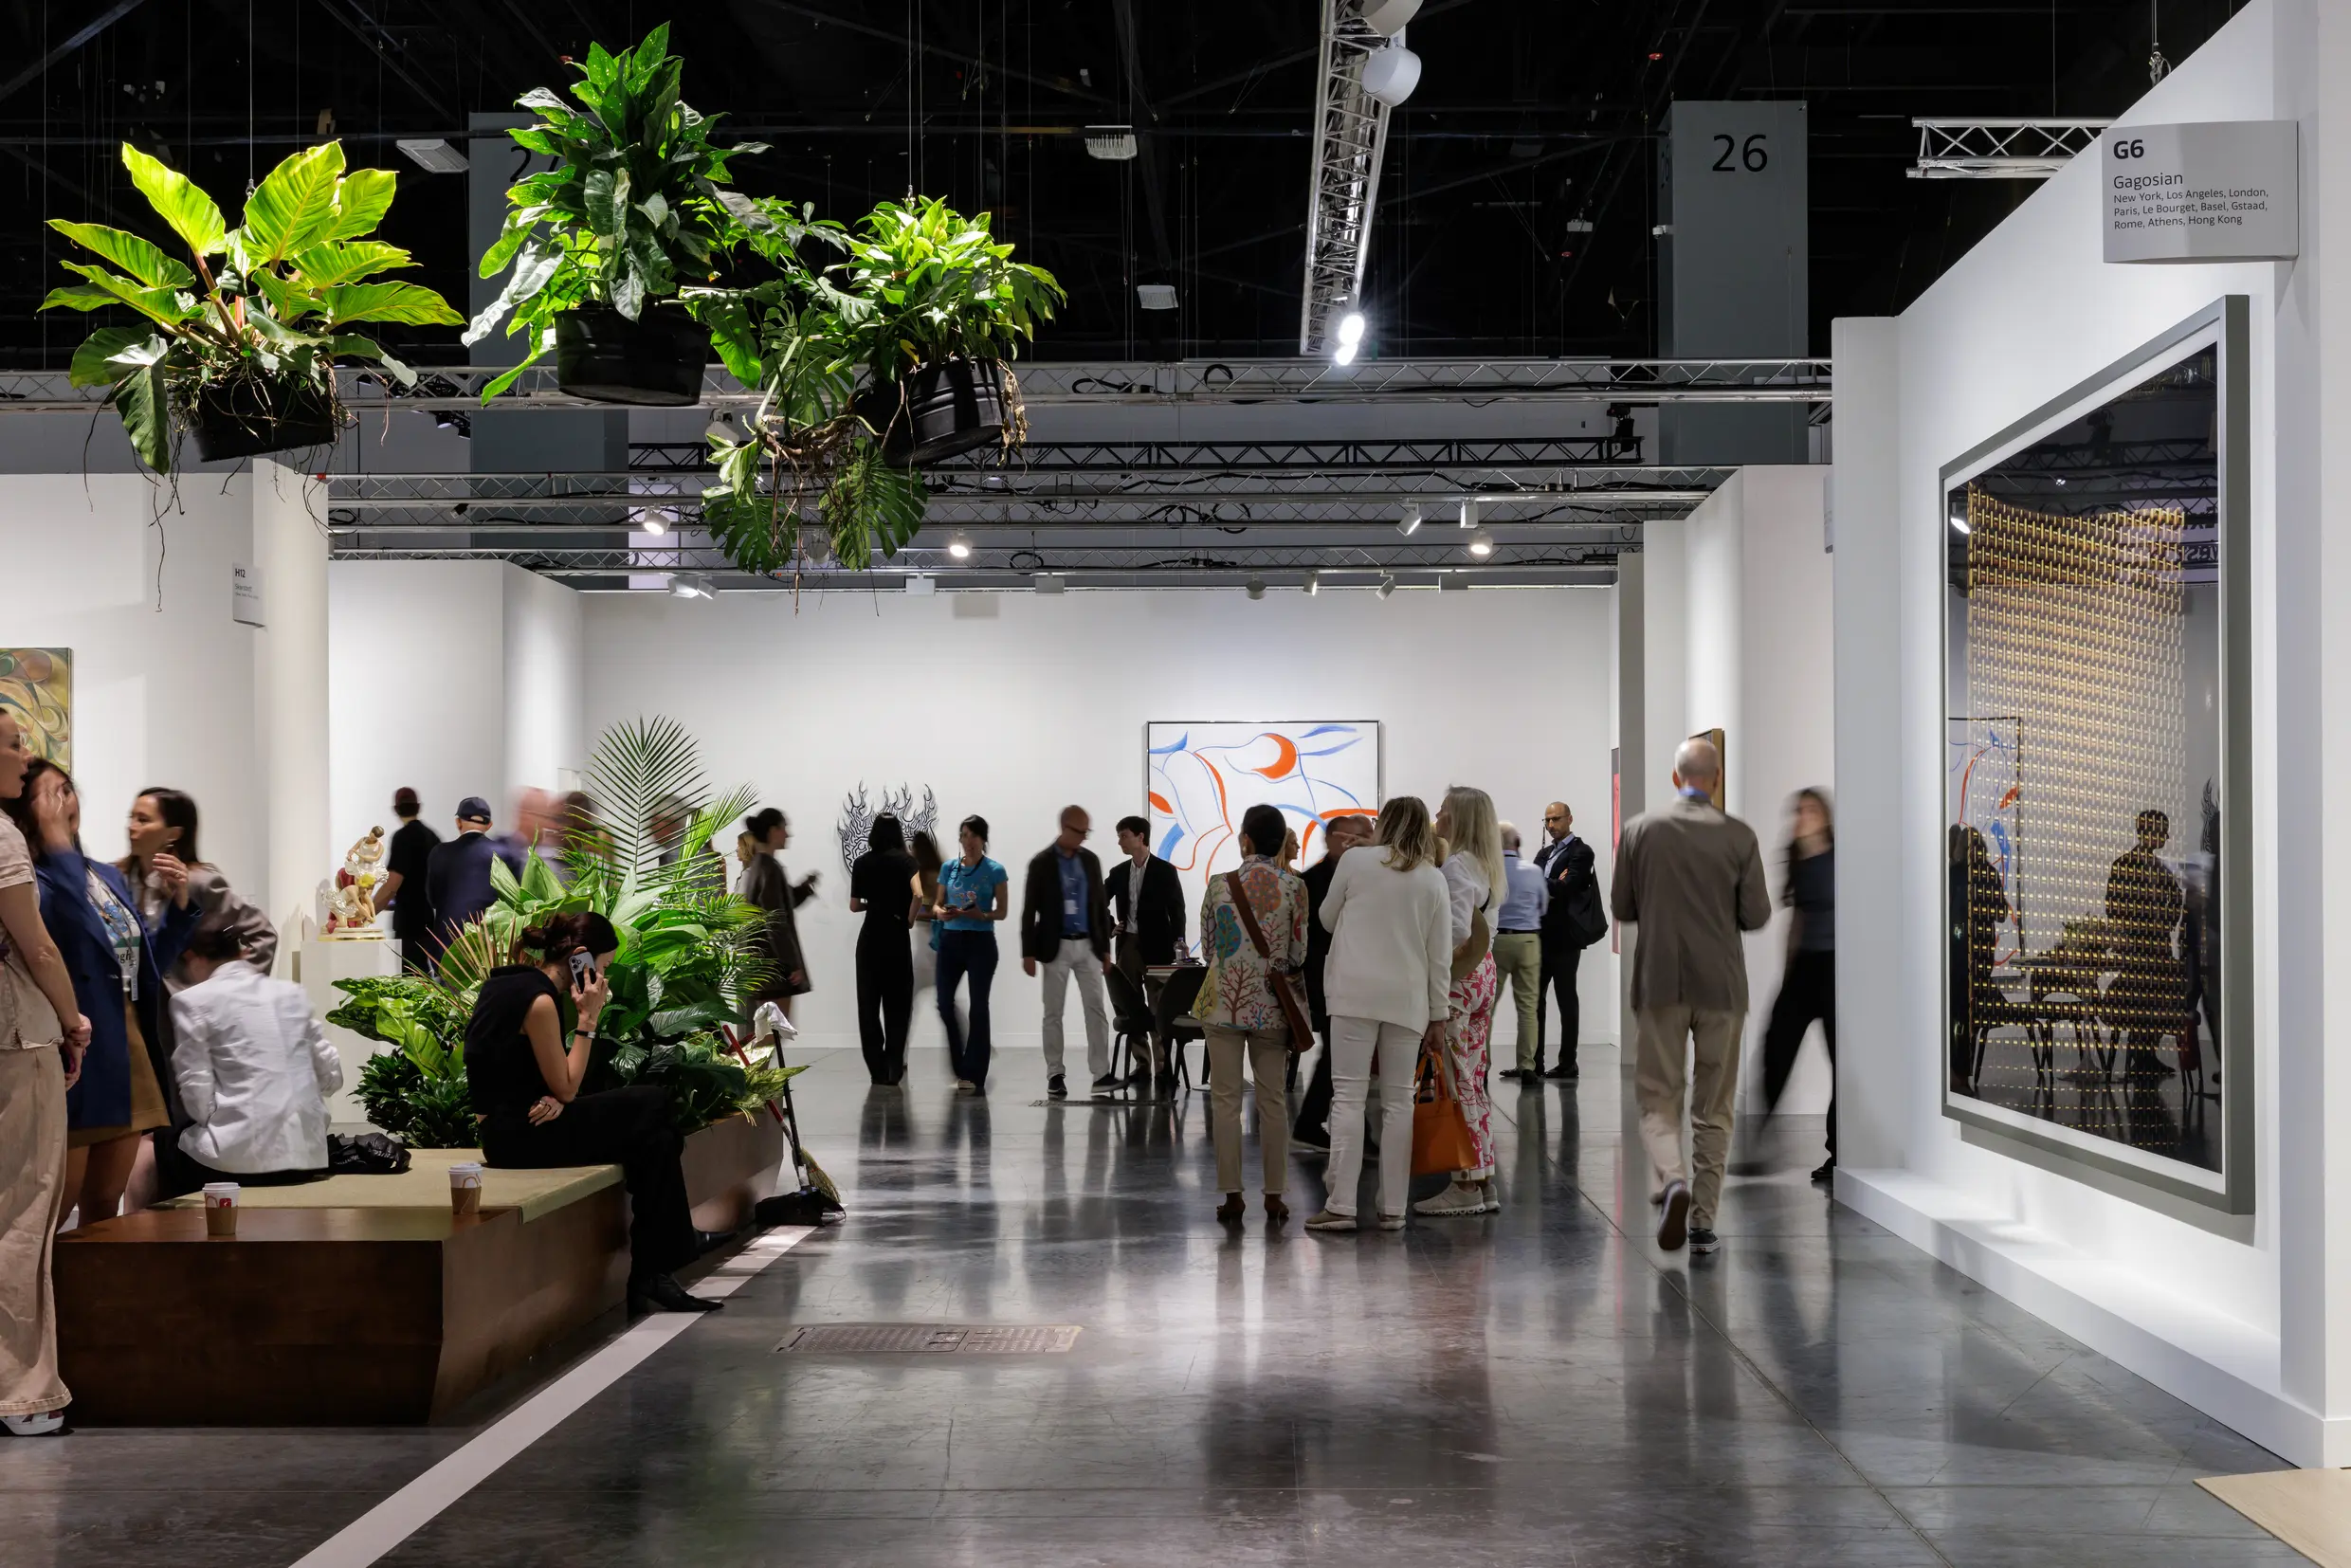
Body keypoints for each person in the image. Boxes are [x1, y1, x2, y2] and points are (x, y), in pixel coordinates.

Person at [465, 911, 719, 1314]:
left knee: (658, 1141)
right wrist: (588, 1018)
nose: (603, 979)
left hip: (513, 1125)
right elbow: (568, 1086)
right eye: (602, 967)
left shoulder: (505, 983)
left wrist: (553, 1095)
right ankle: (669, 1252)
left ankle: (652, 1274)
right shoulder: (541, 1001)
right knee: (654, 1102)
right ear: (580, 958)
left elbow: (510, 1070)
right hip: (520, 1136)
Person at [3, 761, 198, 1229]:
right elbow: (59, 933)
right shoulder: (37, 880)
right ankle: (44, 1298)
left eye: (68, 791)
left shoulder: (102, 876)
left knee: (106, 1202)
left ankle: (93, 1299)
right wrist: (55, 845)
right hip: (75, 1047)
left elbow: (140, 963)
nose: (64, 803)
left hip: (124, 1042)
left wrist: (180, 908)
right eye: (50, 795)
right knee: (54, 1205)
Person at [1611, 738, 1770, 1255]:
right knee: (1715, 1105)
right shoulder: (1740, 836)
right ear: (1717, 779)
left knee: (1658, 1096)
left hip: (1659, 981)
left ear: (1675, 778)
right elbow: (1757, 916)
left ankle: (1673, 1178)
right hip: (1722, 986)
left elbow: (1623, 906)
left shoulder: (1638, 830)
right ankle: (1702, 1221)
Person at [0, 711, 92, 1436]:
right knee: (22, 1211)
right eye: (11, 742)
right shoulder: (1, 837)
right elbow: (39, 948)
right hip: (14, 1036)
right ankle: (20, 1391)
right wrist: (73, 1019)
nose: (25, 754)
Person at [1306, 796, 1451, 1234]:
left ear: (1382, 824)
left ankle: (1342, 1206)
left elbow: (1327, 919)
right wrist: (1439, 1014)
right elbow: (1439, 954)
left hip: (1353, 994)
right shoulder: (1432, 878)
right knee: (1398, 1104)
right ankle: (1393, 1209)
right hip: (1407, 1000)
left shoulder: (1355, 862)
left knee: (1348, 1099)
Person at [1192, 804, 1308, 1226]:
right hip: (1272, 1009)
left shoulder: (1219, 884)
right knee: (1273, 1100)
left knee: (1225, 1102)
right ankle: (1274, 1196)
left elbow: (1207, 949)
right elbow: (1298, 955)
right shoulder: (1295, 887)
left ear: (1245, 840)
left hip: (1222, 1003)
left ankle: (1233, 1196)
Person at [167, 923, 341, 1184]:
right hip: (308, 1153)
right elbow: (331, 1074)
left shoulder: (192, 1000)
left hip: (237, 1159)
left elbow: (196, 1084)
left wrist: (212, 1120)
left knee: (158, 1142)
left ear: (192, 958)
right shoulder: (292, 993)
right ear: (243, 954)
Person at [1417, 785, 1504, 1217]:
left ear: (1458, 819)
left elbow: (1454, 933)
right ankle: (1483, 1177)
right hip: (1483, 973)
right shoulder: (1485, 864)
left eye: (1444, 809)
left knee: (1457, 1077)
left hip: (1458, 979)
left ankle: (1466, 1183)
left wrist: (1429, 976)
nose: (1437, 813)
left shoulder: (1454, 866)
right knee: (1473, 1073)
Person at [119, 787, 277, 990]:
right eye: (130, 817)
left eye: (143, 820)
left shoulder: (200, 882)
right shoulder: (118, 878)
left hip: (185, 1009)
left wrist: (235, 990)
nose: (131, 827)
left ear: (173, 834)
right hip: (132, 1008)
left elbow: (262, 933)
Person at [1759, 789, 1837, 1182]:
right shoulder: (1795, 857)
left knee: (1843, 1063)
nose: (1802, 817)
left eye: (1810, 810)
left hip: (1839, 967)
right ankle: (1759, 1140)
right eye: (1798, 811)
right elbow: (1795, 919)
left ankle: (1838, 1154)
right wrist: (1787, 972)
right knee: (1775, 1047)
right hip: (1805, 966)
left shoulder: (1841, 856)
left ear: (1825, 816)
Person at [1289, 812, 1376, 1153]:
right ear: (1341, 838)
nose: (1371, 839)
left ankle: (1326, 1127)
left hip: (1348, 979)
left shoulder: (1355, 873)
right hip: (1327, 982)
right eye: (1363, 834)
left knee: (1342, 1055)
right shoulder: (1314, 880)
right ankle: (1314, 1124)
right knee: (1339, 1054)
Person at [1020, 806, 1112, 1100]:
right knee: (1053, 1012)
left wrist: (1106, 949)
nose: (1084, 838)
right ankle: (1055, 1073)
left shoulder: (1091, 861)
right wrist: (1028, 952)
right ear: (1063, 827)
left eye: (1087, 832)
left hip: (1088, 945)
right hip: (1055, 945)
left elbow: (1099, 905)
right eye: (1079, 832)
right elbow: (1029, 909)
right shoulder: (1042, 862)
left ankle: (1101, 1073)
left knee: (1096, 1008)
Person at [2105, 808, 2186, 1100]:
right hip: (2138, 950)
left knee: (2161, 997)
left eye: (2165, 831)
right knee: (2142, 997)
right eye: (2161, 831)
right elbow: (2114, 908)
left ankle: (2146, 1056)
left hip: (2158, 949)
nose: (2165, 837)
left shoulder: (2163, 872)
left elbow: (2175, 905)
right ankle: (2140, 1058)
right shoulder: (2124, 865)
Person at [1103, 813, 1185, 1085]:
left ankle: (1162, 1066)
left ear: (1141, 837)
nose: (1119, 842)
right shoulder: (1118, 873)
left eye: (1124, 835)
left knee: (1159, 1005)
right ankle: (1141, 1065)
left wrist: (1178, 942)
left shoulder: (1164, 871)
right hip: (1128, 944)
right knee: (1131, 1004)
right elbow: (1097, 901)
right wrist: (1109, 926)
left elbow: (1177, 910)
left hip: (1158, 947)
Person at [934, 815, 1009, 1093]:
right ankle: (959, 1063)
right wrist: (943, 912)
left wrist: (981, 915)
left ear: (983, 839)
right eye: (964, 835)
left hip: (981, 943)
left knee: (978, 1007)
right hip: (951, 940)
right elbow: (938, 905)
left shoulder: (995, 870)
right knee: (943, 1002)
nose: (968, 841)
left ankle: (974, 1072)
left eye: (973, 835)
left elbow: (1001, 911)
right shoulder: (949, 868)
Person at [848, 813, 920, 1087]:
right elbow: (918, 895)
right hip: (896, 938)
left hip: (869, 940)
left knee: (868, 1007)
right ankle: (893, 1069)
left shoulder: (862, 862)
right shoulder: (907, 861)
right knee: (898, 1006)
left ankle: (876, 1070)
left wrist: (875, 906)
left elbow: (855, 906)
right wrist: (909, 918)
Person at [1535, 800, 1605, 1080]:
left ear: (1570, 819)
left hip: (1565, 937)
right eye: (1547, 820)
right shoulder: (1545, 852)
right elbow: (1535, 884)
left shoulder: (1582, 851)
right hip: (1541, 934)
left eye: (1556, 819)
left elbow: (1567, 888)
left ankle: (1568, 1062)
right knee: (1534, 1002)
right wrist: (1550, 882)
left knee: (1566, 999)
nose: (1551, 825)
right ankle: (1533, 1062)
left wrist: (1546, 882)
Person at [739, 808, 819, 1022]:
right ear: (773, 831)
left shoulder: (761, 866)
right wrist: (791, 964)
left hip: (765, 965)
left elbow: (780, 905)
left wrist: (803, 889)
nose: (788, 834)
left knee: (771, 1032)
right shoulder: (769, 869)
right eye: (784, 828)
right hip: (773, 968)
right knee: (771, 1033)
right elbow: (775, 922)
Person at [424, 796, 525, 956]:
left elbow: (433, 899)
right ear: (489, 825)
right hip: (490, 945)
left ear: (458, 822)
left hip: (447, 944)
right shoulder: (506, 855)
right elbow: (515, 904)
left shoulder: (439, 852)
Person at [1492, 822, 1550, 1084]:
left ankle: (1481, 1067)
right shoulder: (1534, 871)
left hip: (1496, 941)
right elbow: (1543, 906)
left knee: (1486, 1008)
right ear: (1517, 844)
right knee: (1528, 1008)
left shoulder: (1489, 870)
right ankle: (1527, 1066)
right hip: (1528, 941)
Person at [374, 787, 441, 974]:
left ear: (396, 809)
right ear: (418, 807)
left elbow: (392, 884)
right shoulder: (432, 837)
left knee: (410, 977)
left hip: (408, 922)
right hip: (428, 919)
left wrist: (369, 911)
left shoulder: (402, 837)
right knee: (424, 976)